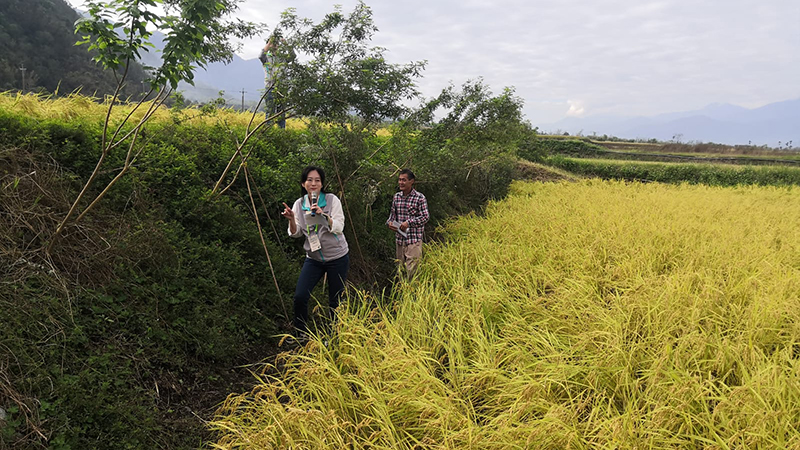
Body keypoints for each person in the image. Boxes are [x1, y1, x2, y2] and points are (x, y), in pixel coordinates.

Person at [281, 166, 349, 338]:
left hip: (337, 257)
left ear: (322, 183)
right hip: (313, 258)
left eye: (317, 180)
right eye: (309, 180)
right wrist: (291, 220)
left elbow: (340, 227)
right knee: (300, 296)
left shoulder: (332, 200)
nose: (313, 183)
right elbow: (295, 233)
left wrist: (324, 216)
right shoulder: (299, 204)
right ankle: (301, 335)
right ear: (303, 184)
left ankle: (335, 337)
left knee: (336, 300)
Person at [386, 169, 429, 280]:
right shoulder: (396, 197)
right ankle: (402, 294)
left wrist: (409, 223)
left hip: (413, 240)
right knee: (400, 270)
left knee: (412, 272)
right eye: (399, 180)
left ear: (411, 181)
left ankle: (414, 294)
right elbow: (392, 216)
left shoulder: (419, 197)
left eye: (404, 180)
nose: (401, 182)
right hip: (400, 240)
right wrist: (389, 223)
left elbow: (425, 217)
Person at [258, 36, 286, 129]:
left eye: (276, 43)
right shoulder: (266, 58)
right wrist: (270, 42)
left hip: (281, 87)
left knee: (281, 113)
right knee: (270, 112)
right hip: (270, 88)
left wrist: (285, 43)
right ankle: (269, 133)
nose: (275, 45)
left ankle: (281, 133)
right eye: (273, 43)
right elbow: (261, 55)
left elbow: (293, 56)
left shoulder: (282, 58)